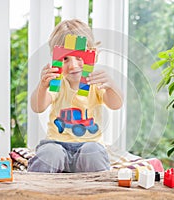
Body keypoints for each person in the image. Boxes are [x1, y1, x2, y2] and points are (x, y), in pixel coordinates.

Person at [28, 19, 123, 173]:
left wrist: (111, 86)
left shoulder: (94, 82)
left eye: (79, 58)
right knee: (49, 153)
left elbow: (116, 104)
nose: (73, 66)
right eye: (65, 59)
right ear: (56, 60)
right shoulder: (57, 82)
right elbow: (37, 107)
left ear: (93, 55)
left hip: (89, 145)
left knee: (94, 154)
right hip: (56, 143)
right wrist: (42, 86)